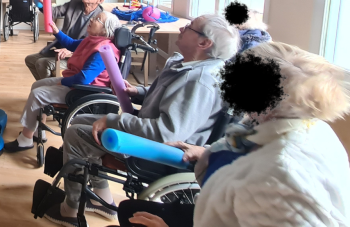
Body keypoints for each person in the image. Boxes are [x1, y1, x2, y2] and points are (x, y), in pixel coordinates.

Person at [110, 42, 350, 227]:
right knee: (130, 210)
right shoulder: (308, 126)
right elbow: (251, 147)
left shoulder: (279, 173)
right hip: (224, 209)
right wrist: (205, 152)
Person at [44, 14, 240, 224]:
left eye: (189, 27)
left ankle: (70, 209)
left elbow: (165, 133)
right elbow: (168, 96)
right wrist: (137, 91)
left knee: (76, 134)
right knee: (80, 120)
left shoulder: (199, 82)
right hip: (149, 129)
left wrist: (113, 121)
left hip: (161, 149)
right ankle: (103, 199)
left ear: (204, 43)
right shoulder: (186, 64)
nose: (182, 28)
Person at [4, 12, 121, 153]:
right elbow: (71, 44)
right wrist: (57, 32)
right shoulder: (93, 41)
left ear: (105, 30)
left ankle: (25, 140)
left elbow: (84, 79)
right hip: (77, 83)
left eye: (97, 19)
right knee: (37, 85)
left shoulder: (103, 50)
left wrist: (64, 82)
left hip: (84, 91)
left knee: (37, 94)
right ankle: (38, 131)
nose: (92, 20)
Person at [25, 0, 106, 81]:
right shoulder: (75, 1)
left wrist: (71, 50)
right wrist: (43, 5)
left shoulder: (100, 18)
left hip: (78, 54)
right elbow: (55, 12)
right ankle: (48, 85)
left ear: (100, 0)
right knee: (30, 60)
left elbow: (91, 43)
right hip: (61, 46)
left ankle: (51, 87)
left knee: (41, 63)